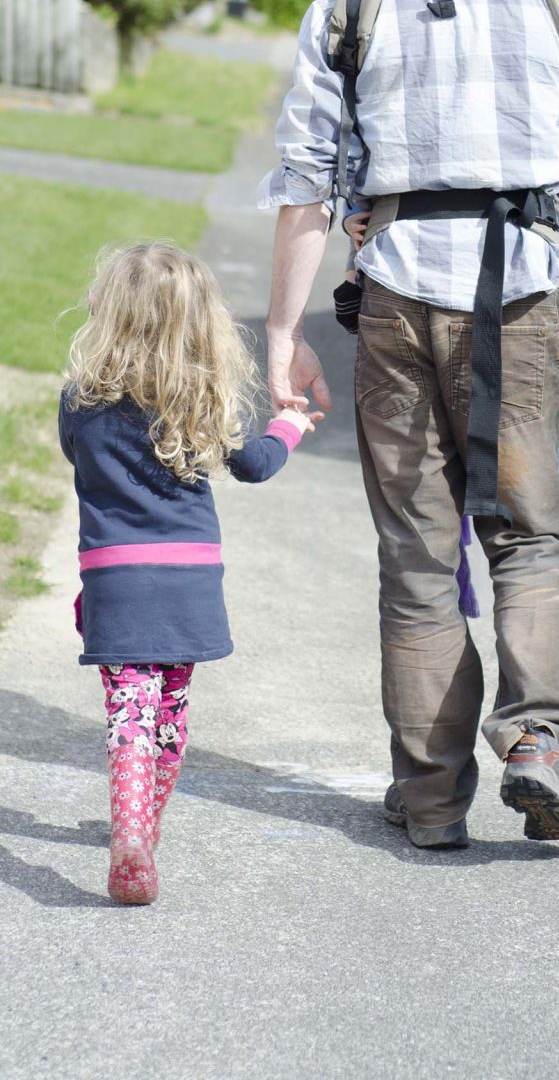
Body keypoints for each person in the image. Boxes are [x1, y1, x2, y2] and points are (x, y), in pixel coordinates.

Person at [262, 0, 559, 848]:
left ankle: (430, 800)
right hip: (522, 298)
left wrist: (283, 336)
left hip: (397, 297)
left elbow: (305, 184)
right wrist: (525, 198)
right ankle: (539, 741)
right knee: (529, 532)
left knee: (419, 553)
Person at [59, 243, 316, 904]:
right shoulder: (204, 398)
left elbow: (74, 454)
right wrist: (288, 425)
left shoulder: (80, 402)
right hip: (190, 581)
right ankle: (145, 828)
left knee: (129, 710)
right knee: (170, 710)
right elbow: (254, 465)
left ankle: (128, 829)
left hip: (117, 581)